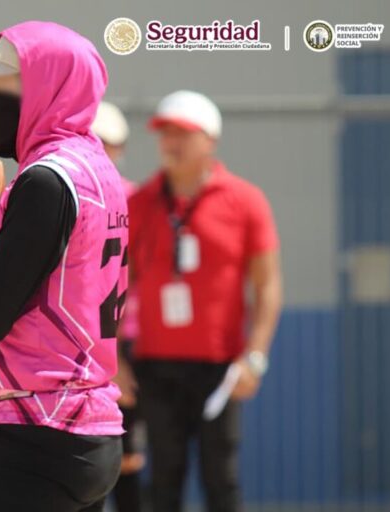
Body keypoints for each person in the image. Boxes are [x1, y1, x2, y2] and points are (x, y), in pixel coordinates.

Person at [0, 21, 128, 511]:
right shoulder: (98, 170)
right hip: (92, 425)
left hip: (38, 436)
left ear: (44, 88)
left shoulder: (46, 181)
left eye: (0, 83)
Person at [122, 90, 283, 512]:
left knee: (220, 480)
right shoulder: (140, 203)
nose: (170, 142)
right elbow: (115, 286)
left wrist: (256, 357)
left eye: (183, 133)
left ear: (210, 140)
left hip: (221, 369)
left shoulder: (245, 201)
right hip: (155, 368)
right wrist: (113, 361)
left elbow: (267, 285)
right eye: (165, 132)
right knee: (163, 484)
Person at [91, 101, 145, 512]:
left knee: (126, 459)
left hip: (123, 341)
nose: (100, 150)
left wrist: (119, 360)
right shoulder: (68, 193)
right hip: (83, 341)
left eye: (107, 143)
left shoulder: (135, 200)